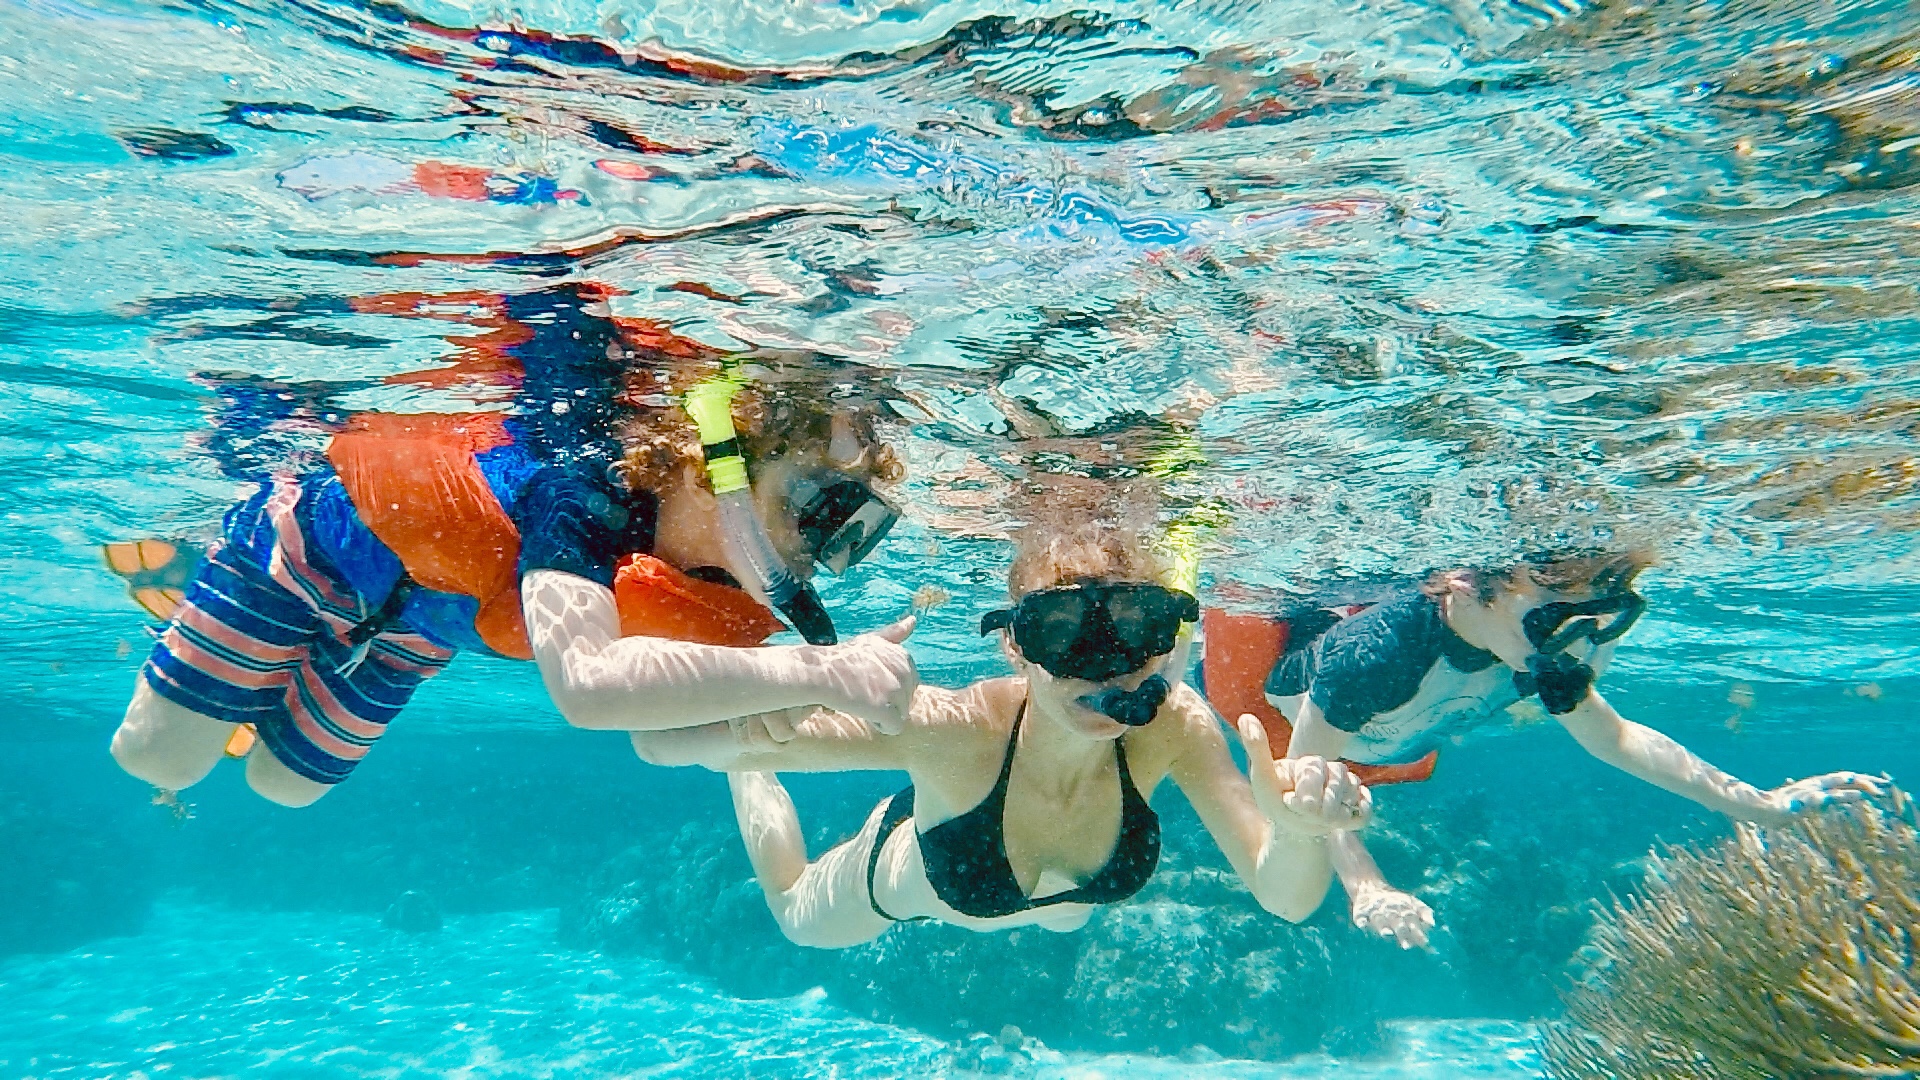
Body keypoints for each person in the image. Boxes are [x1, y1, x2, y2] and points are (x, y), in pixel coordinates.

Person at [109, 281, 917, 807]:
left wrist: (746, 724)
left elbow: (656, 740)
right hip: (301, 559)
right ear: (721, 464)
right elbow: (590, 687)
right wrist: (822, 669)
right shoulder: (585, 488)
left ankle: (253, 667)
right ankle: (203, 593)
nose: (824, 551)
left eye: (856, 534)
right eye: (820, 506)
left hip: (419, 631)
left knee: (285, 787)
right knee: (161, 762)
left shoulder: (725, 591)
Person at [633, 519, 1372, 945]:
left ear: (1173, 637)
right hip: (920, 881)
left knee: (1061, 918)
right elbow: (657, 742)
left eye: (1138, 627)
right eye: (1063, 634)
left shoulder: (1174, 724)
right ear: (1015, 646)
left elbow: (1286, 898)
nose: (1108, 670)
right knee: (796, 915)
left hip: (1063, 897)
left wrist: (1298, 832)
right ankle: (751, 778)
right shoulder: (950, 730)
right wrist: (783, 694)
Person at [1201, 550, 1885, 949]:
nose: (1581, 644)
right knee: (1310, 765)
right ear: (1473, 585)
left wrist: (1761, 806)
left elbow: (1613, 736)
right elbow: (1311, 787)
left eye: (1605, 620)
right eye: (1559, 619)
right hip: (1285, 717)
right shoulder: (1376, 657)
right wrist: (1368, 886)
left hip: (1395, 740)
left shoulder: (1535, 641)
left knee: (1391, 765)